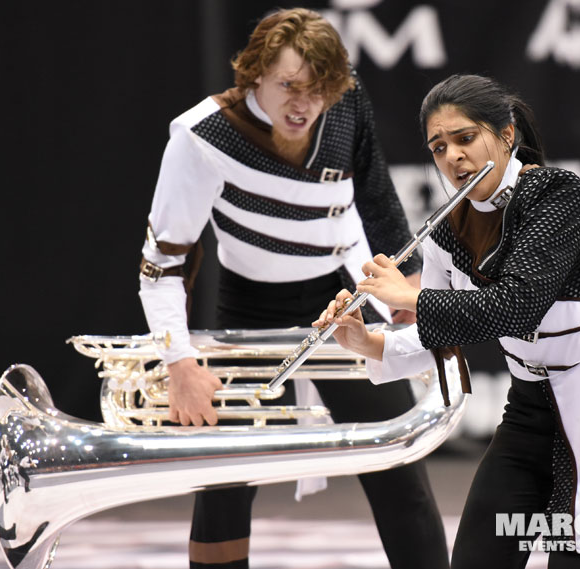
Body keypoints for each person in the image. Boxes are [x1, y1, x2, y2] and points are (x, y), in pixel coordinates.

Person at [316, 74, 580, 569]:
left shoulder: (555, 194)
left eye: (465, 138)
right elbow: (444, 332)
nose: (452, 157)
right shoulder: (444, 231)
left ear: (507, 134)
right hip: (530, 409)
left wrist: (411, 294)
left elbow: (517, 305)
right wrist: (370, 342)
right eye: (439, 147)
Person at [137, 8, 448, 569]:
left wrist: (404, 288)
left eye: (320, 91)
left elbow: (376, 200)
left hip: (342, 301)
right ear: (254, 73)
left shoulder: (347, 103)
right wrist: (179, 362)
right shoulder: (201, 136)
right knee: (225, 482)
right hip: (249, 303)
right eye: (289, 87)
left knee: (398, 464)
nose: (305, 105)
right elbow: (161, 264)